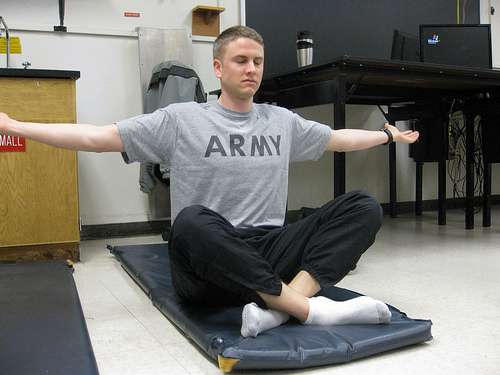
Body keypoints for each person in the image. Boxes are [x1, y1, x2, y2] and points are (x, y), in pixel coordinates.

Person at [0, 25, 419, 338]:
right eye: (241, 60)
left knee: (362, 205)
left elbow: (336, 139)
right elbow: (97, 137)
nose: (251, 69)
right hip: (207, 265)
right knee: (190, 221)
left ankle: (282, 307)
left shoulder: (281, 121)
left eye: (257, 61)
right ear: (218, 68)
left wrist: (387, 135)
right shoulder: (182, 119)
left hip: (267, 250)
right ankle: (307, 308)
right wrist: (15, 125)